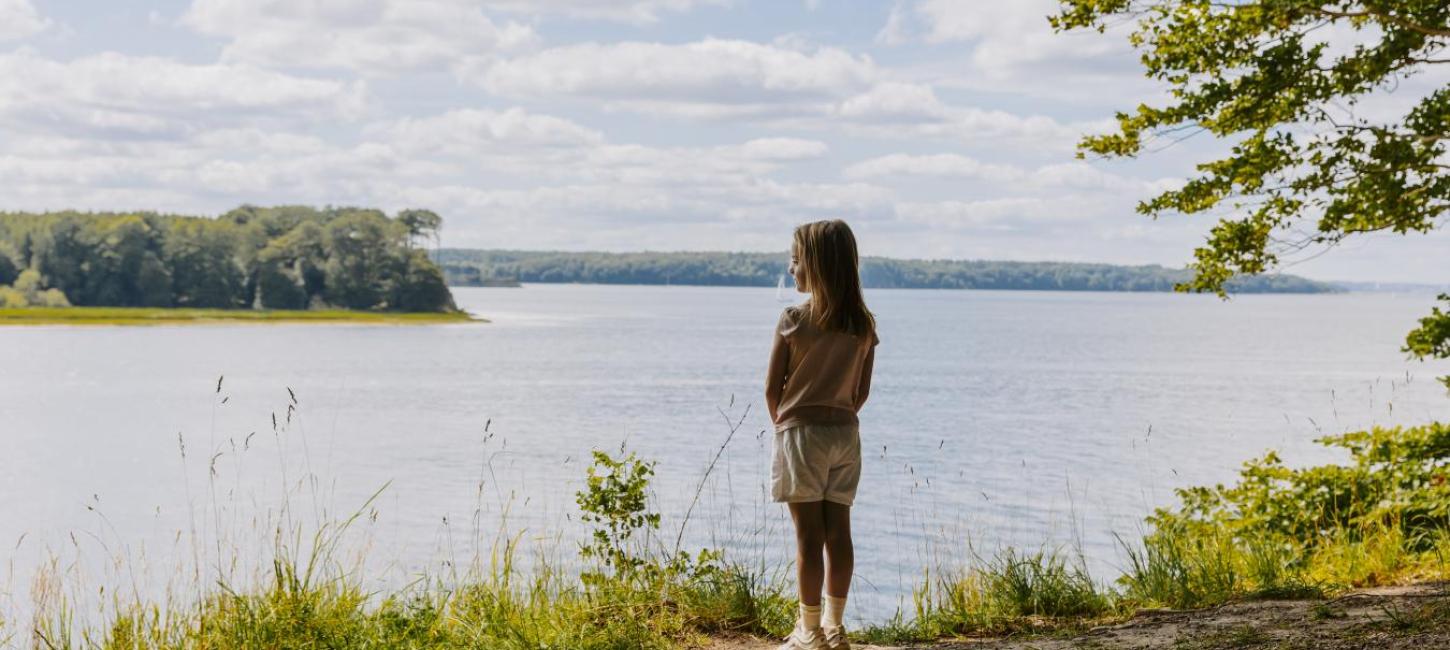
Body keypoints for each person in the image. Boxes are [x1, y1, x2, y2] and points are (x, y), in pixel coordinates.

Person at [765, 219, 878, 650]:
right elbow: (862, 390)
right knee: (839, 534)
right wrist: (841, 413)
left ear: (814, 266)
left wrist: (784, 424)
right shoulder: (863, 325)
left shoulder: (793, 319)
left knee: (808, 538)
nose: (791, 269)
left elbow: (772, 388)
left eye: (795, 261)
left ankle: (808, 631)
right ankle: (835, 627)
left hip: (802, 434)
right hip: (845, 435)